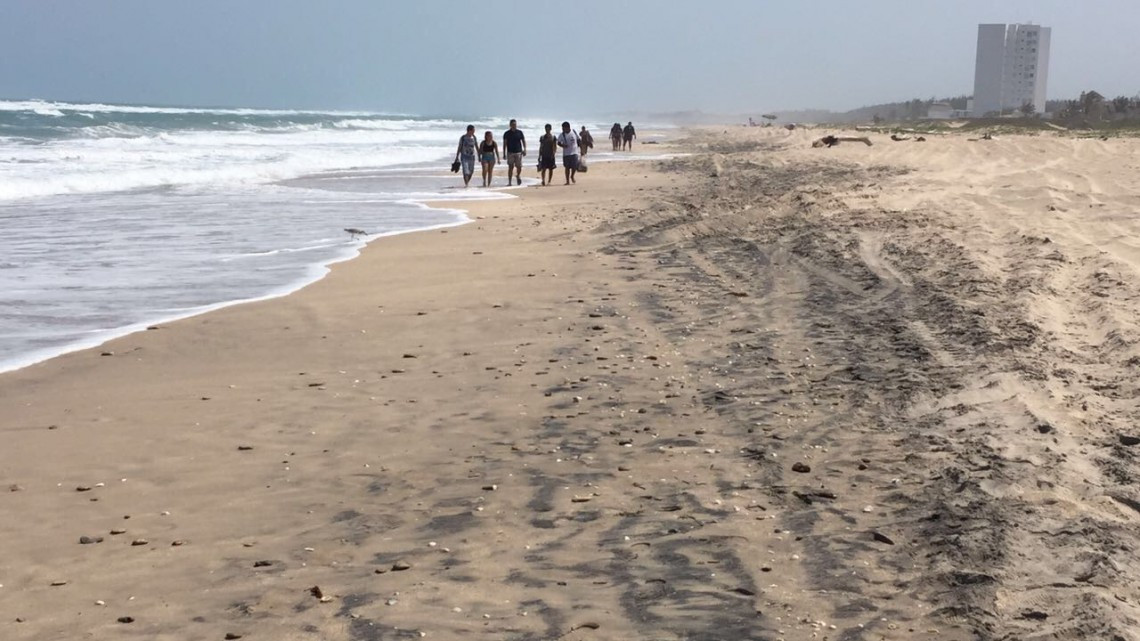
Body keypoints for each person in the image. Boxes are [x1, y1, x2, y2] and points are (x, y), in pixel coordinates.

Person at [502, 119, 526, 186]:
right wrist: (504, 153)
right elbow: (505, 144)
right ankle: (509, 182)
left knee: (519, 167)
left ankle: (518, 175)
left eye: (515, 124)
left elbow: (523, 141)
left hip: (518, 152)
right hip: (510, 152)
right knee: (510, 167)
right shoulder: (506, 133)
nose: (514, 126)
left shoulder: (519, 132)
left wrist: (525, 149)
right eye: (512, 124)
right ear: (510, 125)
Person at [556, 121, 581, 185]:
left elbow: (579, 140)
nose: (562, 129)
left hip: (574, 152)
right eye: (562, 128)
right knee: (567, 168)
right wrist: (563, 145)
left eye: (563, 128)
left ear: (568, 127)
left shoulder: (574, 132)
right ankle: (567, 181)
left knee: (574, 166)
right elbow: (558, 142)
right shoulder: (562, 135)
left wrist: (581, 148)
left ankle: (572, 176)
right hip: (566, 154)